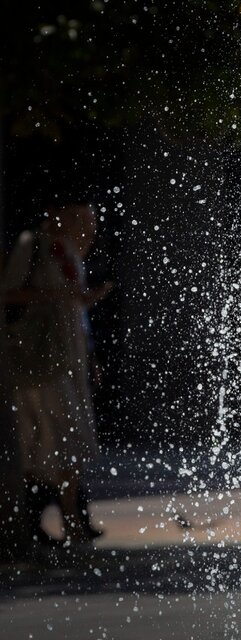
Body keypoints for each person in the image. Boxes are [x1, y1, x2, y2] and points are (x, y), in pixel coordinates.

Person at [1, 203, 112, 545]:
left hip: (69, 359)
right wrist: (58, 296)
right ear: (62, 214)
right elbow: (8, 294)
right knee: (56, 442)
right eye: (83, 223)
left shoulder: (67, 253)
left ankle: (65, 521)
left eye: (93, 227)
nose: (89, 233)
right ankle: (69, 523)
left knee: (61, 443)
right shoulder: (33, 246)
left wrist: (90, 352)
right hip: (40, 363)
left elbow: (74, 311)